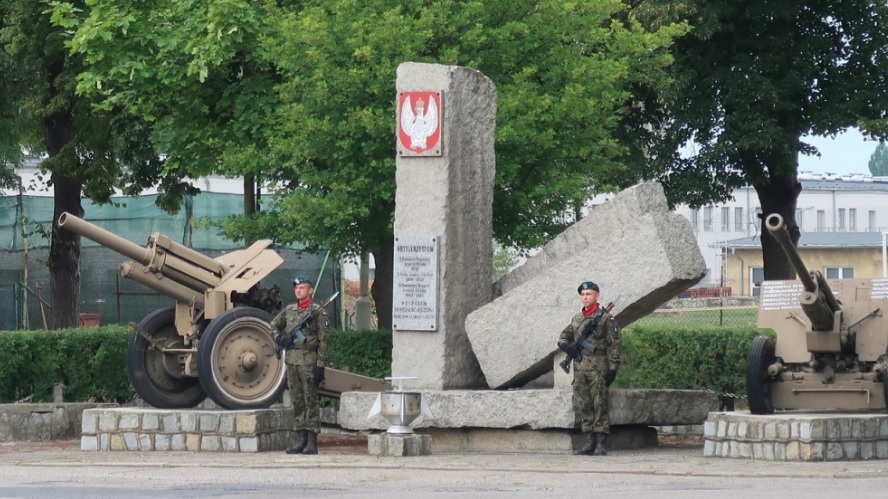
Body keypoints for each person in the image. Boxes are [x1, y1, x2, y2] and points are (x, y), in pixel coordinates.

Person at [557, 281, 621, 456]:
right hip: (579, 367)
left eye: (589, 294)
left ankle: (601, 443)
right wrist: (567, 347)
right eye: (583, 294)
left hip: (598, 367)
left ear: (597, 296)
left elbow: (615, 344)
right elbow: (563, 336)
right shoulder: (577, 318)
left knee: (600, 403)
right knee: (583, 404)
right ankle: (589, 442)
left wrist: (613, 368)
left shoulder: (606, 318)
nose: (585, 297)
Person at [270, 275, 329, 455]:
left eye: (302, 287)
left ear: (310, 290)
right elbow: (273, 325)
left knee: (310, 399)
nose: (298, 290)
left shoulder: (318, 312)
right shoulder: (289, 310)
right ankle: (300, 439)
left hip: (309, 361)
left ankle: (311, 441)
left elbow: (324, 340)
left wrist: (321, 364)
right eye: (296, 288)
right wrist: (280, 338)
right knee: (297, 400)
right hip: (292, 360)